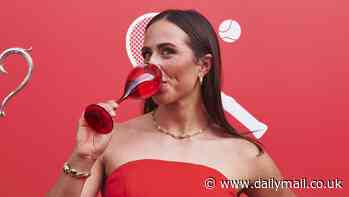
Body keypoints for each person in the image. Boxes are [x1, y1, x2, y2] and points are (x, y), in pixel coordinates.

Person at [46, 9, 295, 197]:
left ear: (203, 65)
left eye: (167, 51)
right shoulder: (112, 140)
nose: (151, 63)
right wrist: (82, 157)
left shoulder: (245, 155)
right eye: (147, 54)